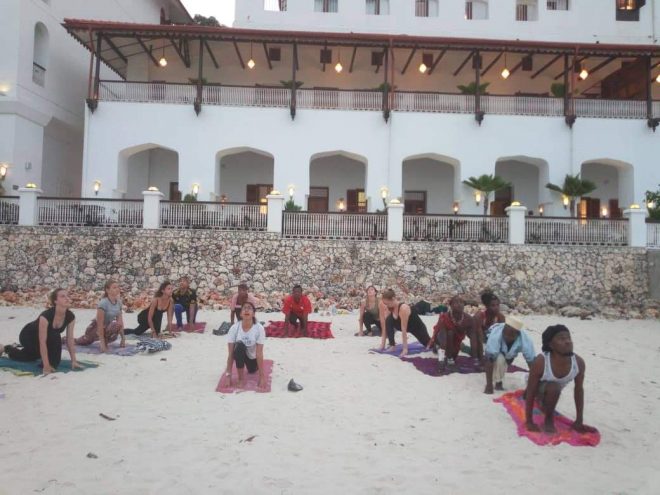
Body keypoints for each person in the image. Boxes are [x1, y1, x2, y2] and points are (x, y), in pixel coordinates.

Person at [525, 325, 595, 434]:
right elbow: (531, 391)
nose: (567, 341)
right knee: (554, 388)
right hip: (536, 386)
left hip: (552, 390)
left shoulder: (579, 363)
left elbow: (579, 390)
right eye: (561, 339)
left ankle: (544, 402)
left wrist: (579, 420)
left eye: (568, 338)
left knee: (554, 389)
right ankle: (548, 419)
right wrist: (529, 421)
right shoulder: (541, 361)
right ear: (551, 345)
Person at [0, 288, 81, 375]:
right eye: (63, 296)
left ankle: (6, 348)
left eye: (68, 296)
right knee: (55, 337)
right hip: (28, 336)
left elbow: (70, 340)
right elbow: (42, 342)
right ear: (55, 301)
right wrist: (46, 366)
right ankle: (5, 348)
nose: (67, 298)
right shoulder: (46, 316)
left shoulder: (70, 316)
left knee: (32, 356)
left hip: (47, 338)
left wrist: (74, 361)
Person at [483, 315, 536, 394]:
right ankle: (498, 382)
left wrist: (531, 387)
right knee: (499, 360)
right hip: (489, 343)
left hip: (509, 354)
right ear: (503, 329)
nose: (507, 337)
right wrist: (489, 385)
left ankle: (499, 376)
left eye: (511, 335)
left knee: (505, 362)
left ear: (518, 334)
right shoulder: (496, 335)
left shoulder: (525, 341)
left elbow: (532, 362)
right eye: (505, 334)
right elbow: (489, 359)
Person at [224, 302, 266, 389]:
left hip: (252, 359)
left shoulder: (259, 328)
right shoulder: (234, 328)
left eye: (249, 308)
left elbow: (259, 353)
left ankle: (253, 368)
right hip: (240, 356)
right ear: (240, 314)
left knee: (252, 370)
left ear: (254, 314)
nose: (246, 310)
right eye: (244, 308)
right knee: (239, 346)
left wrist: (262, 377)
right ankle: (240, 378)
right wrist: (228, 376)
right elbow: (231, 354)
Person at [75, 280, 125, 352]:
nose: (117, 289)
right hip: (95, 329)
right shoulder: (103, 303)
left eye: (118, 287)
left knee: (116, 325)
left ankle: (106, 341)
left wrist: (123, 339)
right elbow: (99, 324)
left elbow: (120, 321)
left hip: (107, 328)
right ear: (107, 290)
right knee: (80, 341)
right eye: (114, 287)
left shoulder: (119, 302)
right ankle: (65, 339)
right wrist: (102, 344)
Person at [428, 295, 479, 366]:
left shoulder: (469, 319)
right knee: (450, 333)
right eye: (456, 302)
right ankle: (437, 346)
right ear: (451, 305)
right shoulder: (444, 317)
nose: (459, 304)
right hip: (442, 339)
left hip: (456, 341)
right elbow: (443, 338)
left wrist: (475, 358)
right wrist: (441, 360)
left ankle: (459, 348)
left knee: (455, 355)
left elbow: (473, 338)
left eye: (461, 302)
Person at [380, 289, 431, 357]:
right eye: (385, 304)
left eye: (388, 303)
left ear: (393, 299)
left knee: (429, 344)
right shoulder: (389, 308)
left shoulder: (403, 308)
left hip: (416, 327)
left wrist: (405, 349)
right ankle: (392, 345)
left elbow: (404, 329)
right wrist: (382, 345)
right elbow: (385, 327)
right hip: (402, 326)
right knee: (388, 320)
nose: (387, 306)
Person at [474, 291, 505, 359]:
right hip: (477, 336)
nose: (496, 307)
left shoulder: (500, 317)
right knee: (476, 353)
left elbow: (502, 337)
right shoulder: (480, 316)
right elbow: (479, 337)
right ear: (487, 306)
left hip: (490, 337)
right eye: (493, 305)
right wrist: (482, 357)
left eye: (497, 305)